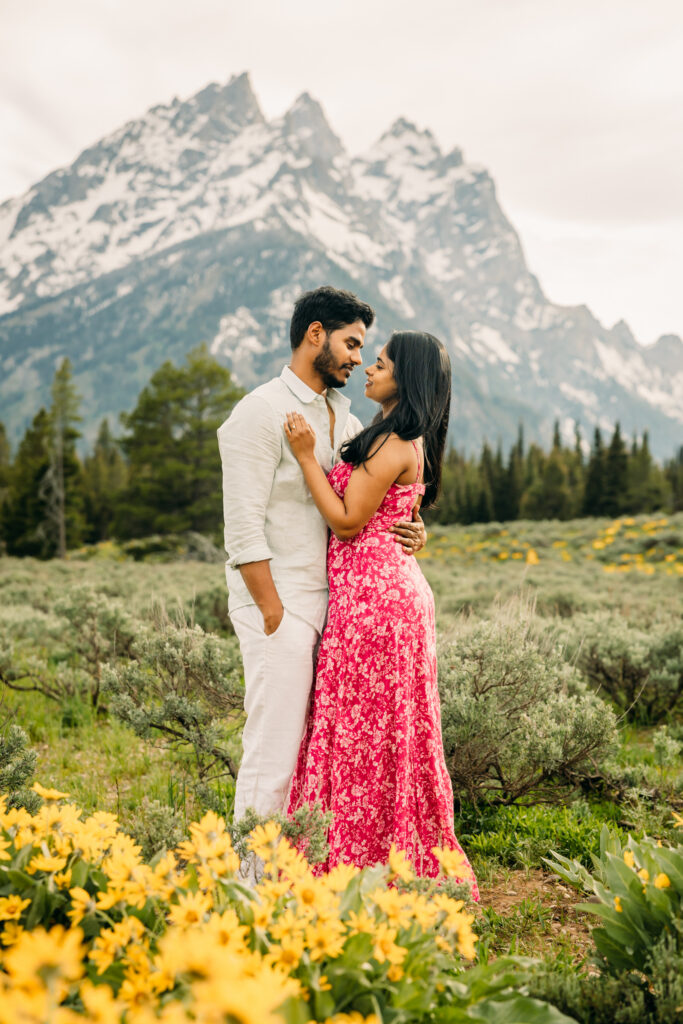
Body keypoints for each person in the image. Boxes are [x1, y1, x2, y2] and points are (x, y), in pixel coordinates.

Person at [217, 287, 426, 827]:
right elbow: (242, 529)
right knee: (273, 752)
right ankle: (248, 886)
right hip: (283, 606)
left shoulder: (350, 421)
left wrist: (408, 526)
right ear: (316, 335)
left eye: (363, 348)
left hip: (340, 617)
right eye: (352, 343)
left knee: (315, 756)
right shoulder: (259, 412)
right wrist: (271, 612)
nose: (359, 358)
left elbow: (364, 505)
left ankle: (293, 882)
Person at [284, 330, 479, 897]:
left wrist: (304, 459)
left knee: (365, 732)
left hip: (377, 606)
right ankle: (363, 856)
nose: (370, 367)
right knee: (370, 731)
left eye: (383, 362)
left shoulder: (397, 440)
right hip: (376, 597)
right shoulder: (392, 436)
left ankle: (361, 862)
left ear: (407, 378)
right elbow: (382, 515)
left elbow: (347, 521)